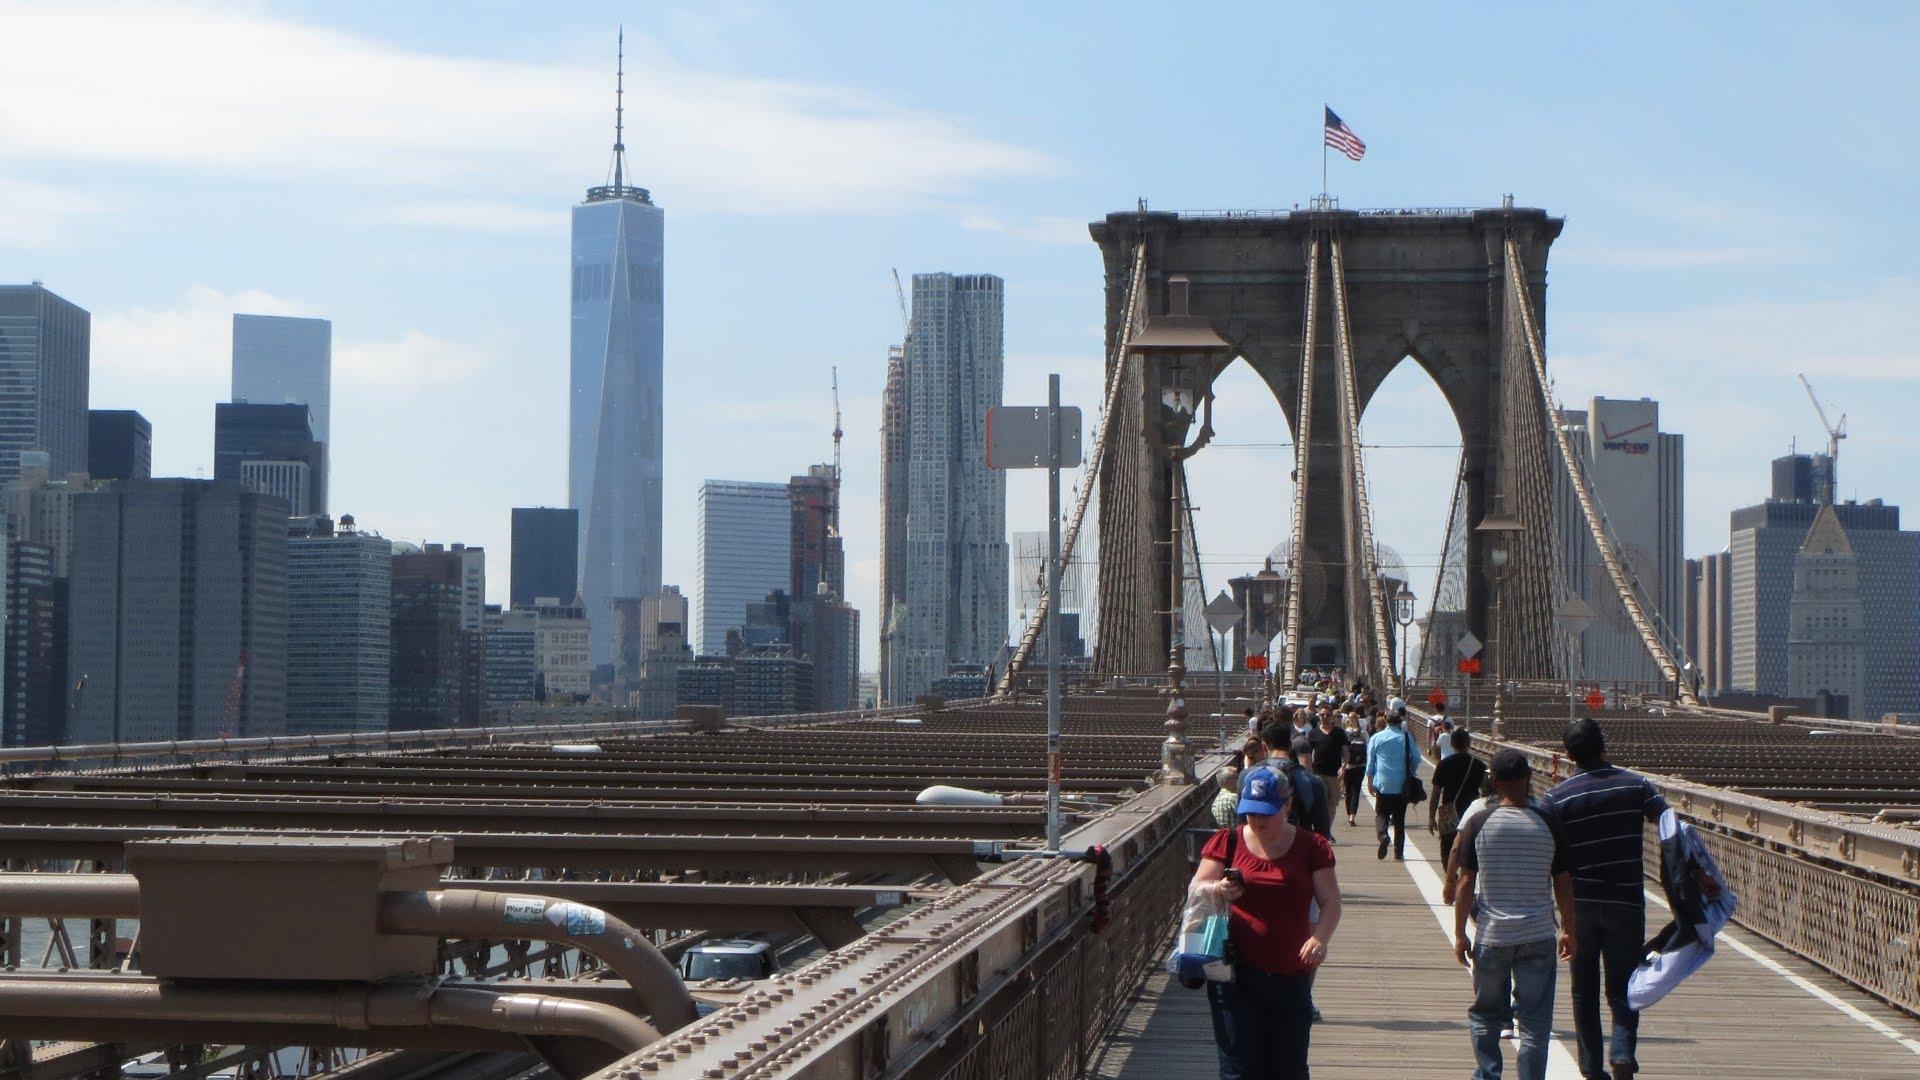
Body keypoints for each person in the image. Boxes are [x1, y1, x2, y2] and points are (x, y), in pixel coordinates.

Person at [1190, 764, 1341, 1079]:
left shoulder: (1312, 846)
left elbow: (1330, 901)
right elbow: (1197, 888)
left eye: (1266, 813)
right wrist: (1218, 888)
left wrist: (1320, 938)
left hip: (1291, 977)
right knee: (1238, 1071)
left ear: (1287, 804)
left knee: (1289, 1070)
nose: (1257, 821)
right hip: (1235, 976)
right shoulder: (1227, 842)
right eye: (1251, 813)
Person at [1541, 719, 1668, 1080]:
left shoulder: (1556, 798)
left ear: (1568, 755)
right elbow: (1669, 823)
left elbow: (1548, 853)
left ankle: (1591, 1070)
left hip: (1577, 905)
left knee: (1584, 992)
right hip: (1626, 901)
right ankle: (1623, 1053)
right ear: (1604, 745)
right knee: (1625, 986)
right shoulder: (1637, 785)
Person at [1452, 749, 1577, 1080]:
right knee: (1535, 1022)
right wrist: (1569, 930)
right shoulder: (1548, 821)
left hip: (1493, 935)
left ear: (1492, 781)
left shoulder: (1480, 822)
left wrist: (1460, 933)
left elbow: (1466, 882)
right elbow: (1563, 882)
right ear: (1528, 779)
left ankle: (1489, 1075)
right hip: (1538, 933)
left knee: (1485, 1015)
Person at [1365, 707, 1422, 860]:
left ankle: (1383, 835)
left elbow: (1370, 762)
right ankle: (1398, 852)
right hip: (1402, 784)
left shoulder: (1377, 737)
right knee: (1400, 819)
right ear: (1400, 722)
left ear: (1386, 721)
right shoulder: (1406, 737)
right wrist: (1411, 771)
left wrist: (1370, 780)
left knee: (1381, 814)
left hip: (1383, 783)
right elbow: (1417, 758)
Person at [1429, 729, 1488, 860]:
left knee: (1447, 850)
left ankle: (1451, 878)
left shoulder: (1444, 764)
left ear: (1452, 743)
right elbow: (1486, 792)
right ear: (1469, 743)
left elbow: (1435, 794)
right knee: (1470, 851)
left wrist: (1431, 817)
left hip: (1449, 814)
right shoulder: (1478, 765)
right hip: (1472, 813)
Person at [1309, 711, 1350, 826]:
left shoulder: (1339, 733)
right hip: (1317, 773)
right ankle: (1319, 827)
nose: (1325, 717)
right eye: (1322, 715)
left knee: (1332, 804)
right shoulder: (1313, 733)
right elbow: (1308, 753)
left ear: (1332, 717)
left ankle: (1327, 830)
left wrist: (1343, 766)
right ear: (1319, 716)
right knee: (1318, 803)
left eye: (1327, 715)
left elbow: (1345, 752)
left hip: (1334, 774)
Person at [1340, 716, 1366, 827]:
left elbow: (1342, 752)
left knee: (1348, 791)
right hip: (1360, 766)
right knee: (1356, 791)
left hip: (1348, 766)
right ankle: (1352, 815)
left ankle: (1349, 812)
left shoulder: (1344, 734)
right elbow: (1367, 749)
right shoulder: (1363, 733)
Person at [1211, 764, 1243, 828]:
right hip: (1236, 834)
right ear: (1228, 781)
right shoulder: (1232, 797)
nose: (1239, 779)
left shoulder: (1218, 798)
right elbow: (1245, 818)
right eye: (1236, 777)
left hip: (1225, 834)